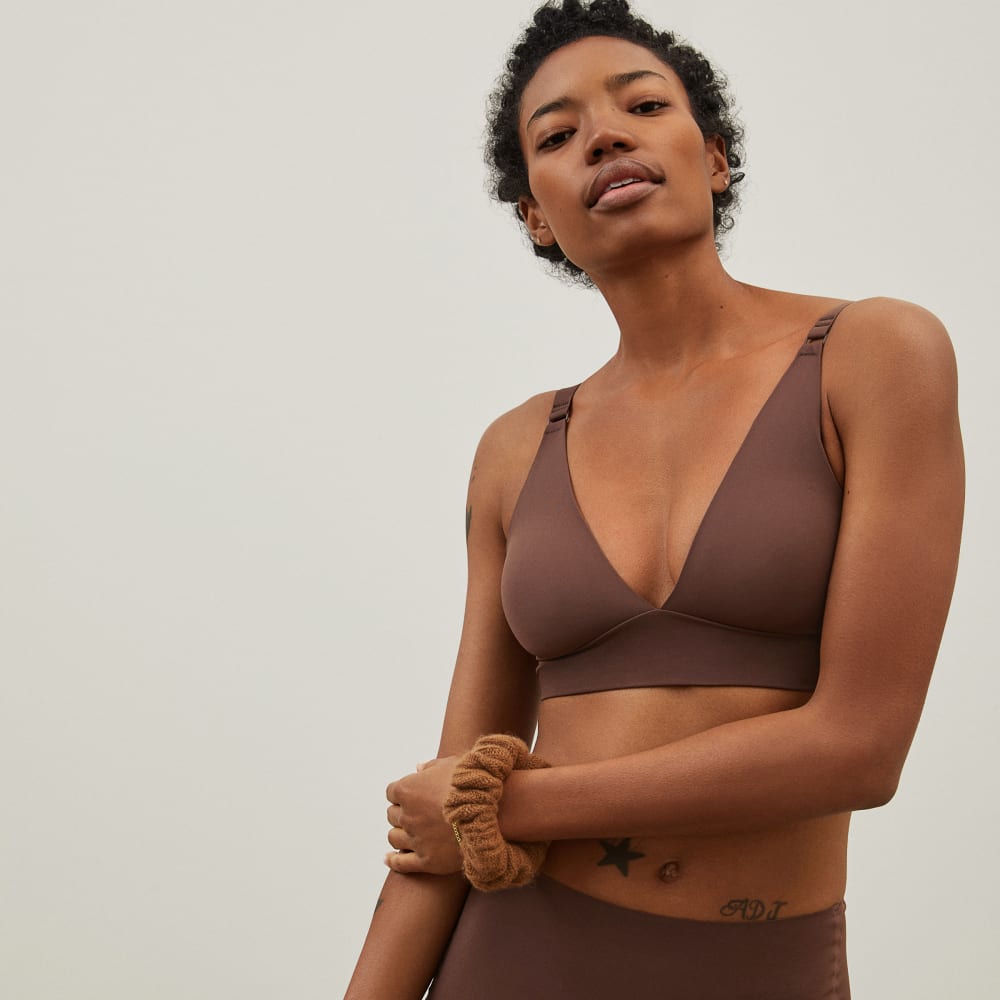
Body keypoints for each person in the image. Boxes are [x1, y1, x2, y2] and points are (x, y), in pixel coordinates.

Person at [345, 1, 964, 997]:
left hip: (759, 970)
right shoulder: (515, 448)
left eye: (641, 105)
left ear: (713, 158)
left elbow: (860, 749)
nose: (604, 135)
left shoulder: (873, 355)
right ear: (536, 216)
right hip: (511, 959)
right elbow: (447, 802)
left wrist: (511, 811)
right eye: (557, 135)